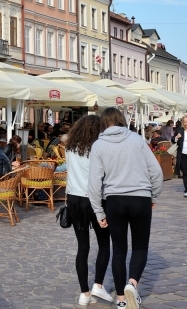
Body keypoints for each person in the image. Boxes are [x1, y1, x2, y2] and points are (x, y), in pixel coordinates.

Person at [89, 108, 163, 309]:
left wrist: (98, 211)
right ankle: (132, 283)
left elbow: (94, 183)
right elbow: (156, 171)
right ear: (122, 120)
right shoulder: (137, 140)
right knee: (140, 247)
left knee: (119, 250)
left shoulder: (98, 145)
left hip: (114, 200)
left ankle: (121, 299)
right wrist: (153, 195)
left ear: (103, 123)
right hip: (140, 198)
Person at [66, 115, 112, 306]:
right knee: (104, 244)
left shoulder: (70, 148)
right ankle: (98, 285)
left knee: (82, 247)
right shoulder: (98, 148)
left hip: (75, 199)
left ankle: (84, 292)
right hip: (96, 199)